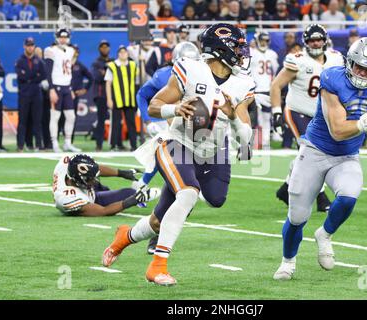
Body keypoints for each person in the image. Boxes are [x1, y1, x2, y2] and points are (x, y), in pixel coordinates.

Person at [102, 23, 256, 286]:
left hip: (213, 152)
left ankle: (124, 237)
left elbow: (246, 140)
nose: (242, 53)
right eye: (237, 47)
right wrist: (175, 109)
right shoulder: (191, 70)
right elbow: (154, 105)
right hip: (177, 142)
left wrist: (232, 117)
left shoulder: (243, 84)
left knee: (163, 218)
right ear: (220, 49)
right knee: (187, 194)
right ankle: (157, 266)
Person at [273, 37, 367, 280]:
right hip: (315, 150)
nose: (363, 73)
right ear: (349, 63)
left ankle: (324, 234)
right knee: (297, 217)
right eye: (359, 67)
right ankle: (288, 262)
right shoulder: (332, 79)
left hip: (346, 155)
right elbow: (337, 130)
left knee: (349, 196)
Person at [134, 41, 200, 255]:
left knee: (185, 185)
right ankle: (143, 186)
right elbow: (144, 95)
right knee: (172, 172)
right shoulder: (165, 75)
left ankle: (144, 188)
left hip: (193, 132)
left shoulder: (202, 74)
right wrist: (147, 119)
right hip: (169, 123)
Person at [271, 24, 343, 213]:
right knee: (310, 151)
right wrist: (277, 111)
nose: (316, 43)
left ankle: (286, 189)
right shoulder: (298, 60)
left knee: (310, 155)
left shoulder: (336, 59)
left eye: (319, 39)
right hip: (298, 111)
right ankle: (320, 197)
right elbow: (276, 86)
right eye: (312, 40)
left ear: (325, 40)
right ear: (306, 42)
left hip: (321, 116)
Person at [52, 154, 159, 216]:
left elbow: (95, 169)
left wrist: (121, 173)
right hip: (86, 199)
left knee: (124, 192)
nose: (94, 180)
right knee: (130, 194)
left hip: (84, 189)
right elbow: (104, 211)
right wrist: (134, 200)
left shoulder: (68, 164)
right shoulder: (67, 198)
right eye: (90, 179)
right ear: (78, 181)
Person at [44, 28, 81, 153]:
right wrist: (51, 89)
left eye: (65, 37)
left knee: (71, 116)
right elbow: (48, 72)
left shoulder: (70, 50)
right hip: (56, 87)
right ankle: (54, 143)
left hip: (66, 87)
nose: (63, 39)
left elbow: (68, 70)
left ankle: (67, 143)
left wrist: (70, 87)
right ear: (57, 38)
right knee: (55, 116)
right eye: (61, 37)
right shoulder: (50, 50)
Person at [105, 45, 139, 151]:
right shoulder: (112, 66)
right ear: (118, 54)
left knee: (131, 123)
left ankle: (133, 145)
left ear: (128, 54)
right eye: (121, 52)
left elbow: (139, 79)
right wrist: (109, 99)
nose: (123, 54)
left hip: (130, 99)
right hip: (117, 99)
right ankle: (114, 145)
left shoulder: (133, 65)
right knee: (116, 123)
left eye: (125, 52)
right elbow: (108, 83)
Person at [15, 37, 45, 152]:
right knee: (22, 121)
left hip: (36, 93)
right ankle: (20, 146)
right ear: (24, 46)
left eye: (32, 45)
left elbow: (43, 75)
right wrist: (34, 76)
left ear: (34, 46)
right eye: (28, 45)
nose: (30, 47)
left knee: (37, 120)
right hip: (24, 94)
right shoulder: (20, 61)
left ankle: (39, 145)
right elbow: (21, 76)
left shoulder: (39, 60)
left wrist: (29, 77)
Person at [250, 31, 279, 149]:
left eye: (266, 41)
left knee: (267, 117)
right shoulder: (251, 53)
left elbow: (276, 71)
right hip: (255, 90)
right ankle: (254, 143)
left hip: (268, 90)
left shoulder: (272, 54)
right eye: (261, 40)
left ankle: (266, 142)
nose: (263, 43)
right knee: (255, 119)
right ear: (257, 41)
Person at [91, 39, 112, 152]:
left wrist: (105, 71)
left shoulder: (113, 61)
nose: (105, 49)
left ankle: (115, 144)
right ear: (99, 49)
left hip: (114, 95)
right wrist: (107, 69)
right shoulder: (96, 63)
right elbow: (97, 77)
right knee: (101, 120)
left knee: (116, 120)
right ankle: (99, 145)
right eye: (102, 47)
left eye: (106, 47)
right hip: (101, 95)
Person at [70, 44, 93, 142]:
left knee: (71, 118)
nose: (74, 52)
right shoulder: (63, 63)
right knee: (60, 118)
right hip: (63, 93)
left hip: (74, 95)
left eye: (76, 50)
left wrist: (85, 89)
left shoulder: (79, 65)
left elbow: (91, 78)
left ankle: (70, 140)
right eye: (72, 50)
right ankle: (56, 141)